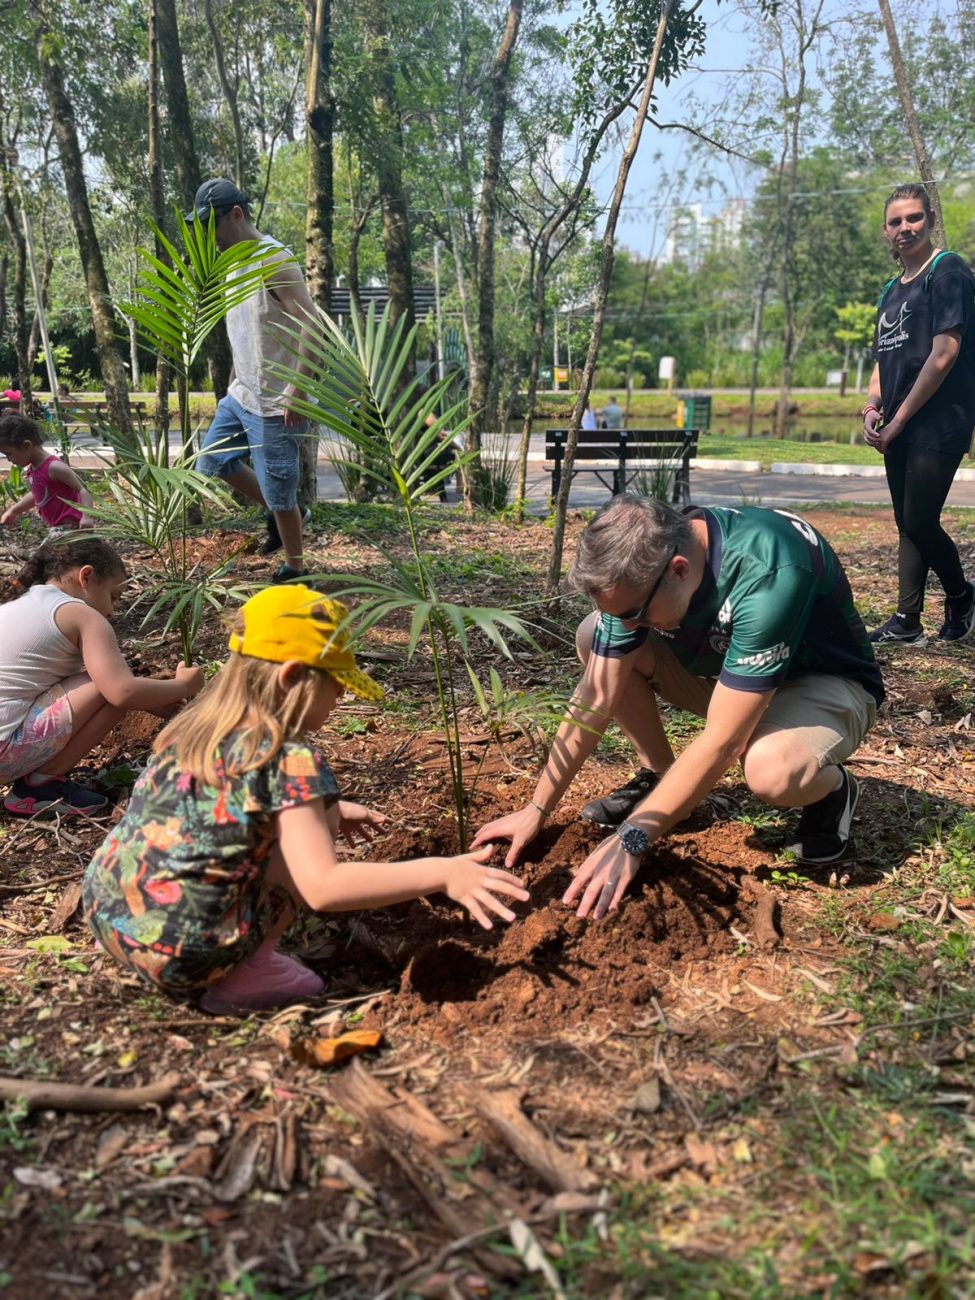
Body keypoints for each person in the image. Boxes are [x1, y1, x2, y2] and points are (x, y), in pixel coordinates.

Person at [82, 586, 529, 1014]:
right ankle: (245, 974)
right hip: (184, 952)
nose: (340, 696)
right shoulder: (289, 757)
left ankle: (166, 948)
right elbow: (322, 886)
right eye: (335, 683)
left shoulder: (192, 727)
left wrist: (330, 810)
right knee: (308, 846)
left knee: (314, 820)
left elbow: (220, 807)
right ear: (292, 675)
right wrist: (442, 873)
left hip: (108, 913)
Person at [473, 495, 884, 920]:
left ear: (679, 570)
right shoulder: (641, 568)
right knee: (592, 636)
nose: (629, 625)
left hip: (822, 682)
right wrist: (537, 809)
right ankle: (661, 778)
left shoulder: (768, 569)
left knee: (772, 770)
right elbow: (596, 695)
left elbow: (724, 741)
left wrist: (634, 836)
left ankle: (834, 791)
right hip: (730, 674)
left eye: (636, 613)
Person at [0, 538, 203, 817]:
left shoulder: (20, 603)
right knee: (110, 686)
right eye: (113, 596)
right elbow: (120, 692)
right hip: (4, 755)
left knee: (108, 681)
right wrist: (184, 685)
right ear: (87, 576)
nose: (111, 611)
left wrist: (148, 700)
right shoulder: (83, 616)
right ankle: (39, 786)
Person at [189, 179, 317, 584]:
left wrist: (298, 388)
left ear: (237, 215)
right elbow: (243, 329)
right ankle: (289, 513)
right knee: (214, 460)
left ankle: (295, 569)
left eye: (213, 226)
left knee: (280, 490)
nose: (210, 237)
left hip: (277, 399)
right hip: (242, 392)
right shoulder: (231, 262)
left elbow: (311, 324)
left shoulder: (274, 259)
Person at [863, 184, 975, 644]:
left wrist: (902, 418)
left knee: (921, 519)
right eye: (895, 221)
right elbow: (881, 359)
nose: (905, 228)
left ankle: (963, 597)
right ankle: (907, 621)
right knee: (906, 521)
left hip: (938, 419)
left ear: (929, 219)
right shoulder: (892, 289)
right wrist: (872, 406)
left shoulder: (947, 271)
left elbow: (945, 353)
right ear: (886, 231)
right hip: (897, 422)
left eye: (914, 218)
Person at [0, 413, 92, 533]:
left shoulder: (54, 467)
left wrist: (87, 517)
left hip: (71, 528)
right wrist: (14, 511)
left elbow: (83, 490)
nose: (8, 459)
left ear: (27, 445)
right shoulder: (33, 469)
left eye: (8, 454)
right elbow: (37, 495)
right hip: (57, 528)